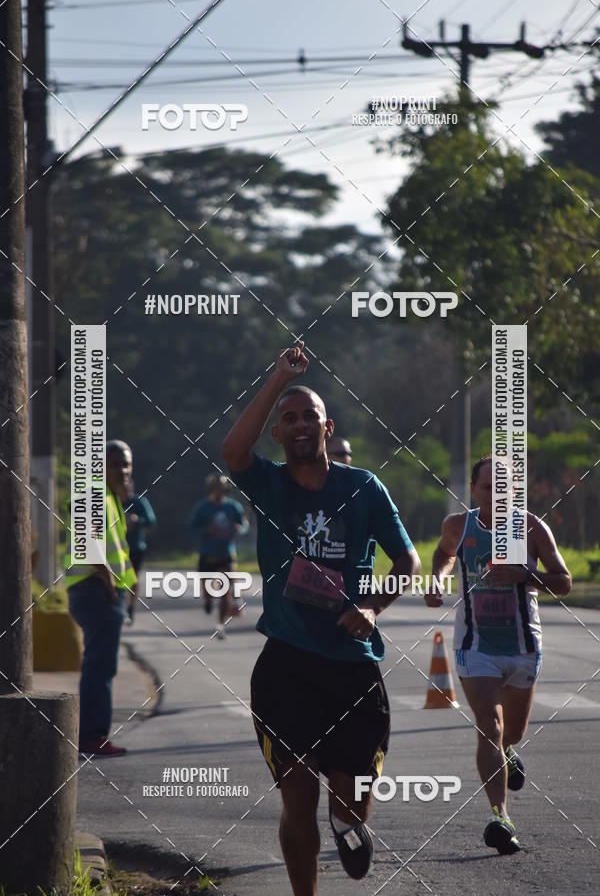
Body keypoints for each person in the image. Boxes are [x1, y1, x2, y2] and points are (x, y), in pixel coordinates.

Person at [222, 342, 420, 894]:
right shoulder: (268, 485)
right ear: (277, 434)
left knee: (351, 799)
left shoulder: (362, 489)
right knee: (297, 797)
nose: (302, 424)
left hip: (351, 667)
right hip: (285, 665)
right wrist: (277, 378)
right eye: (290, 418)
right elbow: (233, 451)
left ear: (328, 428)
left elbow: (408, 559)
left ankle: (349, 821)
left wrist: (372, 607)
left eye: (311, 416)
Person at [426, 455, 571, 854]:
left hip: (523, 646)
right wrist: (438, 580)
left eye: (504, 488)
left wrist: (527, 575)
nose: (497, 495)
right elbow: (444, 553)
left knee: (512, 733)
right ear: (475, 490)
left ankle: (508, 751)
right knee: (489, 725)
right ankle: (500, 816)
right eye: (489, 487)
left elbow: (564, 582)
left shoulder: (531, 528)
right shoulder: (459, 525)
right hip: (475, 645)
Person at [66, 440, 138, 757]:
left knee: (100, 665)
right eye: (114, 463)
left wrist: (127, 588)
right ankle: (92, 737)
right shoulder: (94, 494)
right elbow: (92, 543)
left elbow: (118, 548)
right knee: (100, 667)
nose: (122, 469)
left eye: (126, 463)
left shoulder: (110, 497)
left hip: (101, 591)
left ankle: (93, 735)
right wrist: (110, 586)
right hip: (95, 589)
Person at [188, 474, 248, 639]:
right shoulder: (202, 507)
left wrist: (239, 529)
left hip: (226, 553)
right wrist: (207, 530)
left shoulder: (233, 507)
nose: (219, 491)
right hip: (207, 554)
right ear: (210, 489)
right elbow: (192, 528)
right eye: (215, 487)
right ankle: (207, 601)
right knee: (208, 590)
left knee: (225, 590)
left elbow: (243, 524)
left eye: (222, 488)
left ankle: (221, 625)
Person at [123, 480, 156, 624]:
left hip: (136, 547)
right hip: (116, 548)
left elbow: (151, 520)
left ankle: (130, 606)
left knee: (133, 579)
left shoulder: (139, 502)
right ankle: (120, 607)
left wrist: (137, 521)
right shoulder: (111, 501)